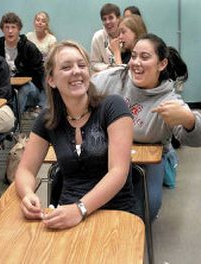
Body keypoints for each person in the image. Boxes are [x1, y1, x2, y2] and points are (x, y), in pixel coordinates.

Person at [15, 40, 136, 229]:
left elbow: (118, 172)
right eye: (66, 67)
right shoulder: (48, 119)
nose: (77, 71)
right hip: (66, 213)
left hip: (115, 212)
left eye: (81, 65)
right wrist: (28, 194)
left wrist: (80, 209)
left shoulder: (113, 106)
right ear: (51, 80)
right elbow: (25, 170)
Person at [91, 33, 201, 221]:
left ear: (162, 64)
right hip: (109, 152)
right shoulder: (116, 77)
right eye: (133, 56)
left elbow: (193, 138)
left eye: (145, 57)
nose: (136, 62)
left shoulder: (168, 100)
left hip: (148, 160)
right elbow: (85, 87)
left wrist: (189, 120)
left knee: (146, 210)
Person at [0, 12, 45, 114]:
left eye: (13, 27)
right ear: (2, 29)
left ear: (19, 29)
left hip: (31, 88)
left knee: (25, 89)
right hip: (6, 86)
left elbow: (41, 73)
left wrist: (43, 102)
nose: (10, 31)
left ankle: (13, 123)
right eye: (7, 27)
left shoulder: (29, 48)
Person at [90, 3, 121, 72]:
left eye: (111, 18)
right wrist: (108, 68)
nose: (107, 22)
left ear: (118, 18)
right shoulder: (98, 37)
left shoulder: (125, 35)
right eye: (104, 19)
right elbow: (93, 63)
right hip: (106, 76)